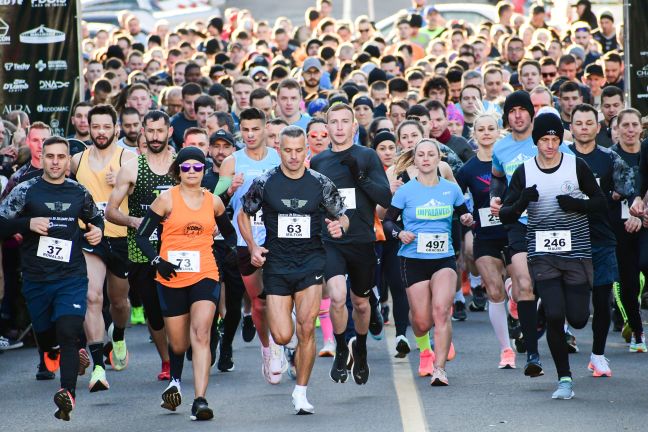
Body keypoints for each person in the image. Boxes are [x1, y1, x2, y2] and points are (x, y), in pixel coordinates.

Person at [240, 125, 348, 414]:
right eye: (287, 150)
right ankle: (285, 349)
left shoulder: (320, 182)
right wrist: (252, 247)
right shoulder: (265, 182)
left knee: (306, 330)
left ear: (307, 150)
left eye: (299, 150)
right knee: (284, 335)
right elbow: (243, 214)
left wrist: (339, 226)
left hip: (311, 262)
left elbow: (342, 215)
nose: (293, 156)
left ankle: (301, 393)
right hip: (276, 265)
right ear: (279, 150)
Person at [499, 112, 607, 399]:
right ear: (536, 142)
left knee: (579, 318)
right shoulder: (525, 171)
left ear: (561, 140)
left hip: (577, 253)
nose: (550, 145)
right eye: (545, 140)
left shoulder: (576, 166)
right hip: (542, 253)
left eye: (555, 139)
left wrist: (576, 204)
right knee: (558, 316)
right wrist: (523, 200)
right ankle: (565, 379)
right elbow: (506, 214)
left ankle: (545, 311)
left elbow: (600, 202)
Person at [0, 136, 104, 421]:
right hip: (36, 278)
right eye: (50, 157)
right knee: (47, 337)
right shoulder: (26, 191)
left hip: (71, 276)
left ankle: (67, 393)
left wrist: (97, 232)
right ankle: (53, 350)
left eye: (61, 157)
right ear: (42, 158)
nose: (56, 162)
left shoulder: (78, 192)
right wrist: (27, 224)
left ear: (68, 160)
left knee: (69, 332)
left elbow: (96, 219)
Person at [135, 146, 235, 420]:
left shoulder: (213, 201)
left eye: (198, 167)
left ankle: (200, 400)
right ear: (178, 170)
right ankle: (175, 379)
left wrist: (231, 254)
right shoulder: (165, 200)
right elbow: (142, 237)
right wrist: (157, 261)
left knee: (201, 334)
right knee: (178, 344)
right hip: (170, 275)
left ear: (204, 170)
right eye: (186, 167)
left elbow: (229, 233)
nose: (192, 172)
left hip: (205, 272)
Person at [490, 92, 573, 376]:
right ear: (507, 117)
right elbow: (498, 178)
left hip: (551, 221)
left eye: (522, 110)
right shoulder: (500, 149)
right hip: (519, 223)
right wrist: (495, 197)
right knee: (524, 283)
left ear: (531, 114)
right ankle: (533, 356)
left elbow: (572, 171)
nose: (517, 115)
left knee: (550, 285)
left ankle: (550, 327)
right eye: (511, 110)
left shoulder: (545, 141)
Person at [310, 103, 391, 385]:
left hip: (362, 240)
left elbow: (385, 199)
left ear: (355, 127)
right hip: (331, 241)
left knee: (361, 303)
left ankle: (362, 348)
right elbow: (316, 203)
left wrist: (361, 177)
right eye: (335, 122)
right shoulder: (319, 161)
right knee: (336, 295)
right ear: (327, 127)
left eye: (346, 121)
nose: (340, 127)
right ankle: (342, 346)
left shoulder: (367, 156)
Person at [383, 138, 473, 385]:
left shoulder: (450, 189)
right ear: (415, 159)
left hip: (443, 258)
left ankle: (440, 369)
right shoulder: (405, 191)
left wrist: (466, 218)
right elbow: (387, 222)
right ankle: (425, 345)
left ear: (438, 159)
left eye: (430, 154)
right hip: (413, 259)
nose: (425, 158)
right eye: (420, 154)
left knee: (441, 312)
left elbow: (463, 212)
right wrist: (399, 233)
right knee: (422, 321)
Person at [214, 107, 285, 383]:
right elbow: (214, 199)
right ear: (240, 131)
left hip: (276, 238)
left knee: (278, 296)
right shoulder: (232, 161)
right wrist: (230, 188)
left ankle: (280, 346)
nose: (251, 135)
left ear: (266, 128)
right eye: (245, 130)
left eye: (255, 129)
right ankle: (266, 349)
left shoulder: (278, 159)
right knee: (259, 303)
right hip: (245, 239)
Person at [106, 110, 176, 383]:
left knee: (179, 307)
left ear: (169, 131)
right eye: (151, 131)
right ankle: (167, 361)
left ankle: (185, 347)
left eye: (160, 131)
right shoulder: (133, 167)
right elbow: (111, 211)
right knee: (154, 310)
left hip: (178, 247)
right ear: (143, 133)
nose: (156, 137)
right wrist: (133, 220)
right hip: (141, 250)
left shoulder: (180, 164)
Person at [70, 104, 136, 391]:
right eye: (95, 126)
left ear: (115, 129)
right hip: (91, 238)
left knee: (119, 303)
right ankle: (98, 366)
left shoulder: (129, 158)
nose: (100, 132)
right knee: (92, 297)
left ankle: (118, 334)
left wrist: (124, 184)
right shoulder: (76, 161)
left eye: (106, 127)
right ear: (88, 127)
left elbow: (144, 188)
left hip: (120, 238)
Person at [568, 103, 634, 375]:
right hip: (568, 237)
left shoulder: (610, 158)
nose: (584, 128)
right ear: (570, 128)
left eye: (588, 123)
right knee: (576, 306)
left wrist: (631, 202)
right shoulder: (561, 156)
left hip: (602, 237)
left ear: (598, 127)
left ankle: (598, 355)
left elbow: (630, 187)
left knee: (603, 295)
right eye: (578, 123)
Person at [456, 113, 516, 369]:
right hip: (485, 235)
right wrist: (465, 217)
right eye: (481, 129)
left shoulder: (511, 160)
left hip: (514, 231)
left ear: (498, 131)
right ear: (475, 134)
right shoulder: (468, 169)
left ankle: (516, 301)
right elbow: (457, 200)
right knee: (494, 290)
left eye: (491, 128)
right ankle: (506, 349)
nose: (487, 133)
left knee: (522, 285)